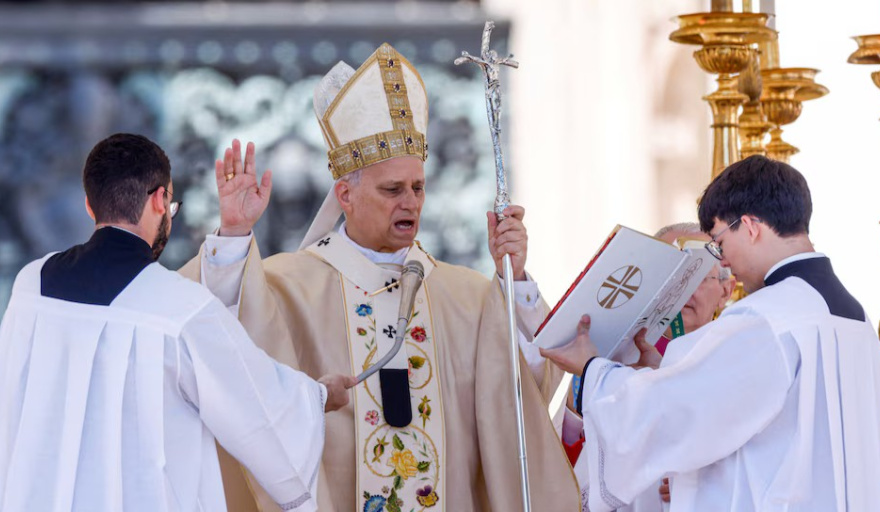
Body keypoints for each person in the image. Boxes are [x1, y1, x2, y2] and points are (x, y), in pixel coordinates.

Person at [180, 44, 580, 511]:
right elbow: (219, 347)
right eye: (392, 189)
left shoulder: (468, 297)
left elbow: (523, 393)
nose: (410, 202)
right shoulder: (288, 287)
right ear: (345, 195)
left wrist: (516, 279)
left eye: (418, 188)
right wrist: (233, 233)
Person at [0, 133, 354, 511]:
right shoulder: (180, 309)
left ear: (90, 206)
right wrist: (318, 397)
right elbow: (257, 404)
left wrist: (233, 232)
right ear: (160, 200)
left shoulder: (30, 286)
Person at [542, 155, 880, 511]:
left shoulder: (767, 316)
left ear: (749, 226)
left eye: (719, 242)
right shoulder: (855, 318)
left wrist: (593, 369)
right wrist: (666, 370)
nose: (724, 260)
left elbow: (674, 414)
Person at [558, 222, 736, 511]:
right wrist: (579, 401)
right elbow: (565, 467)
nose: (682, 288)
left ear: (726, 290)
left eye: (698, 274)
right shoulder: (611, 360)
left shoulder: (738, 359)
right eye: (669, 273)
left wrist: (697, 482)